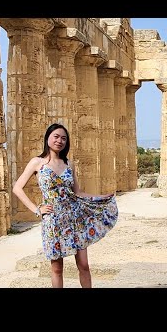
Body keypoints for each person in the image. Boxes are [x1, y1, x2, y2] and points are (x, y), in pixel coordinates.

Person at [12, 123, 118, 288]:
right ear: (48, 138)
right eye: (56, 136)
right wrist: (36, 209)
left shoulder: (69, 164)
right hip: (53, 221)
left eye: (63, 138)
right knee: (57, 268)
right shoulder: (37, 162)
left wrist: (101, 197)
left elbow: (78, 192)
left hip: (75, 219)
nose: (59, 141)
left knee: (83, 265)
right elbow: (17, 188)